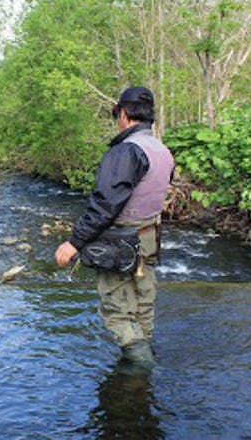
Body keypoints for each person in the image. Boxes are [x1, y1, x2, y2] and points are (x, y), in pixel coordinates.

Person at [54, 86, 174, 366]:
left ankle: (139, 373)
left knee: (118, 312)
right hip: (149, 241)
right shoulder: (163, 151)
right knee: (143, 309)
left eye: (116, 115)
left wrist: (74, 243)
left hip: (121, 244)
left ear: (123, 113)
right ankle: (145, 377)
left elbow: (104, 205)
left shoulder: (126, 152)